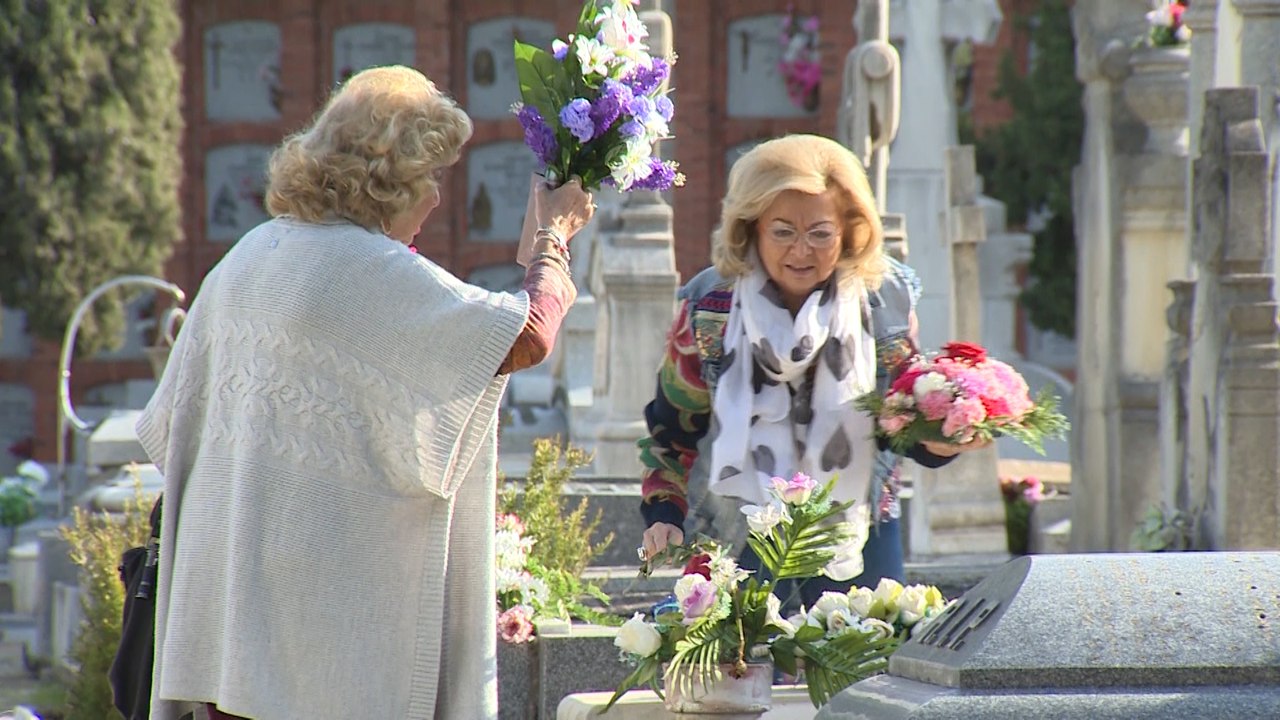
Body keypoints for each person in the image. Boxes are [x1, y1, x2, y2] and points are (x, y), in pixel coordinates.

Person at [136, 66, 594, 720]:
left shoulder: (249, 254)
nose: (436, 200)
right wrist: (553, 238)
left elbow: (170, 434)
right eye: (430, 179)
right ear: (390, 179)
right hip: (316, 640)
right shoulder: (359, 268)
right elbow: (526, 336)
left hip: (230, 626)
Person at [637, 134, 986, 608]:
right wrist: (664, 511)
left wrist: (943, 437)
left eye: (820, 233)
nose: (801, 251)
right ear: (751, 228)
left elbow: (900, 420)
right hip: (740, 522)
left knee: (869, 662)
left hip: (857, 524)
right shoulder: (709, 308)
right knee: (742, 667)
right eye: (783, 231)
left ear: (848, 231)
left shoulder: (884, 300)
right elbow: (673, 428)